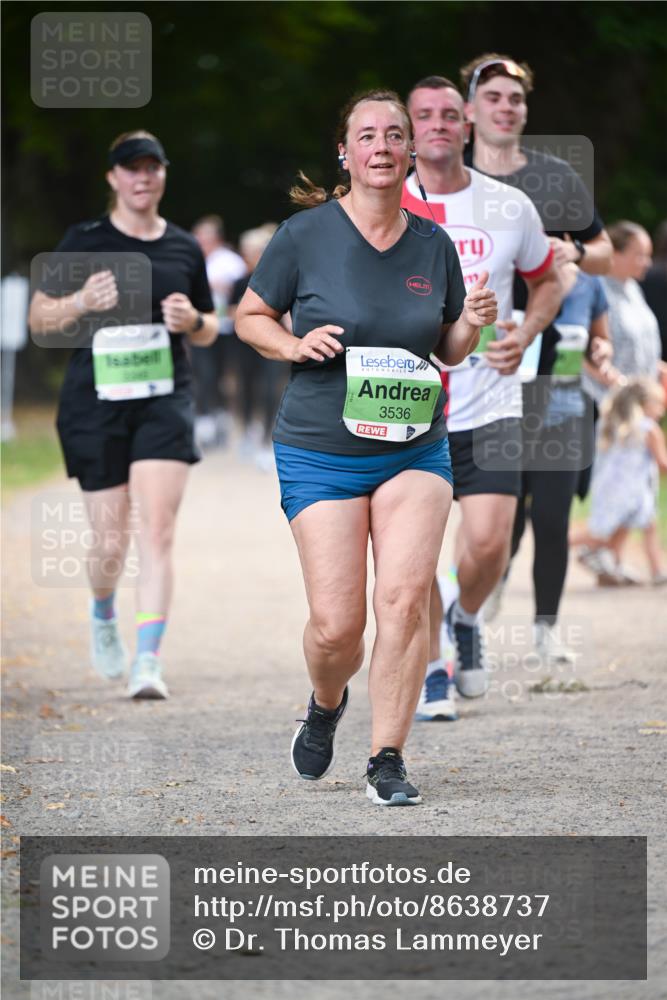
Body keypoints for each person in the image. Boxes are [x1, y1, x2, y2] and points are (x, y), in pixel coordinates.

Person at [236, 89, 497, 805]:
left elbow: (446, 347)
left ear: (411, 152)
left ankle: (387, 756)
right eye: (367, 135)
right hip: (320, 448)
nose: (382, 145)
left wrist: (471, 322)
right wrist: (293, 342)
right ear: (345, 153)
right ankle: (325, 704)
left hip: (414, 446)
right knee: (336, 625)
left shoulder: (431, 243)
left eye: (395, 135)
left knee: (406, 598)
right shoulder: (304, 235)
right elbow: (249, 316)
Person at [29, 130, 217, 699]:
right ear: (113, 178)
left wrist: (193, 323)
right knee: (110, 542)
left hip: (164, 399)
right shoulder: (83, 241)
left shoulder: (184, 247)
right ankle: (104, 610)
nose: (142, 178)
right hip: (95, 404)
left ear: (163, 175)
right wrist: (81, 302)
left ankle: (148, 662)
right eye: (131, 169)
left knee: (156, 532)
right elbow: (38, 322)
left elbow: (211, 327)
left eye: (152, 168)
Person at [402, 76, 561, 712]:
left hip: (491, 399)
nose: (437, 125)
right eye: (423, 116)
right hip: (414, 403)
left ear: (467, 125)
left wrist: (526, 331)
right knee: (416, 549)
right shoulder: (389, 205)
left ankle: (465, 617)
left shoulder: (508, 206)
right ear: (408, 130)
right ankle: (435, 666)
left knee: (491, 541)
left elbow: (546, 280)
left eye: (448, 115)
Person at [459, 53, 614, 625]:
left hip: (550, 370)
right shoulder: (445, 178)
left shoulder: (553, 177)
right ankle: (471, 608)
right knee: (487, 520)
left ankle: (537, 630)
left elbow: (604, 253)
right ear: (468, 109)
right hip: (470, 369)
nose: (506, 107)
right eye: (493, 97)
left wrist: (569, 251)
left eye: (516, 98)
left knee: (547, 513)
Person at [570, 378, 667, 585]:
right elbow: (663, 464)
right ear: (643, 404)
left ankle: (624, 567)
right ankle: (560, 544)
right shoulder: (649, 428)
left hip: (610, 488)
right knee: (601, 534)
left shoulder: (613, 424)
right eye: (658, 404)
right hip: (631, 492)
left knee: (641, 526)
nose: (661, 410)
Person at [227, 224, 289, 471]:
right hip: (244, 344)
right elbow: (231, 311)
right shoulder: (240, 281)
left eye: (259, 251)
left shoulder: (281, 278)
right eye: (251, 252)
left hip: (273, 341)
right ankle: (248, 432)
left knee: (271, 391)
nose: (254, 256)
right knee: (246, 389)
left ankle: (266, 441)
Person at [191, 215, 247, 448]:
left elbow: (244, 289)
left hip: (227, 328)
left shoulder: (230, 261)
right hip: (201, 326)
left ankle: (223, 416)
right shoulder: (193, 260)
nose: (202, 243)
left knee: (226, 376)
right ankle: (205, 420)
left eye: (205, 239)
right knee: (203, 374)